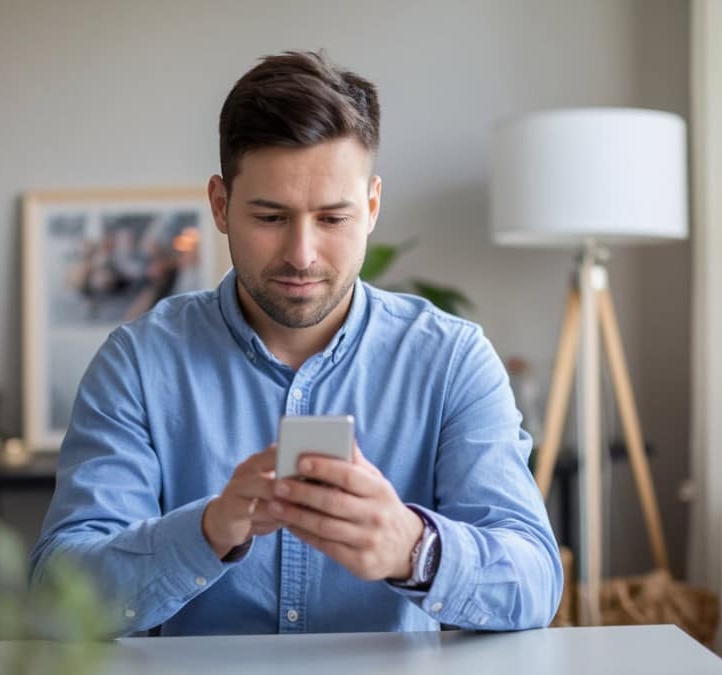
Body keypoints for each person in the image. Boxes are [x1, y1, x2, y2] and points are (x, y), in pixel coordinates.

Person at [30, 50, 562, 636]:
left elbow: (535, 584)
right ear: (220, 205)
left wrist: (414, 550)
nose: (302, 255)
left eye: (333, 219)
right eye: (270, 217)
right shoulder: (138, 363)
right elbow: (59, 599)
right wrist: (206, 532)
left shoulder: (452, 359)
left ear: (372, 207)